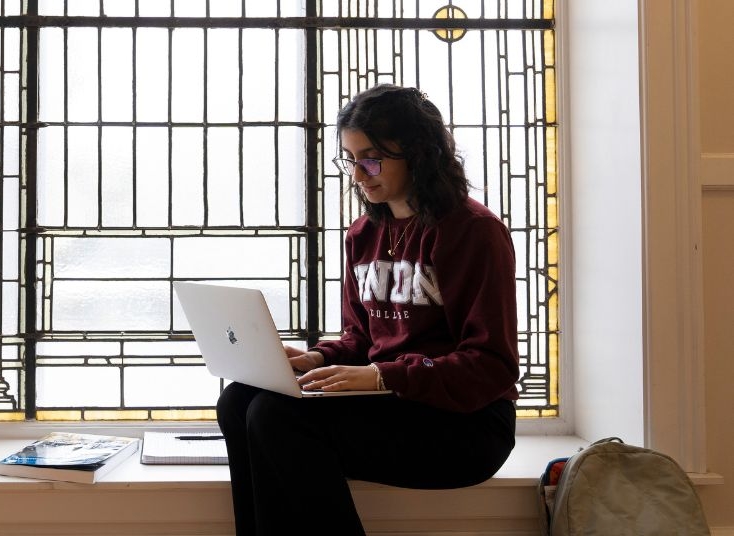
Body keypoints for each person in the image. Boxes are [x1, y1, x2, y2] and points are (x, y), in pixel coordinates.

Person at [215, 83, 521, 536]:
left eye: (372, 159)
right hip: (393, 406)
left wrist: (383, 376)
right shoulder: (363, 233)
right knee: (238, 400)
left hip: (465, 426)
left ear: (420, 153)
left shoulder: (472, 232)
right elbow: (363, 339)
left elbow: (490, 366)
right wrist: (317, 358)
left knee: (275, 416)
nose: (358, 175)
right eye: (350, 159)